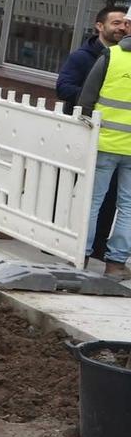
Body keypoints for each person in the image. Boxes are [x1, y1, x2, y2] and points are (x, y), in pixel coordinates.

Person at [77, 28, 131, 276]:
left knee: (92, 201)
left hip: (104, 144)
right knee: (129, 207)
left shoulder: (111, 56)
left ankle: (82, 256)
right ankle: (116, 264)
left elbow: (86, 100)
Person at [58, 4, 127, 107]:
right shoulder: (81, 57)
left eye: (126, 24)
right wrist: (95, 96)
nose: (122, 28)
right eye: (116, 23)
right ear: (100, 26)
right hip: (82, 120)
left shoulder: (126, 58)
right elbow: (63, 89)